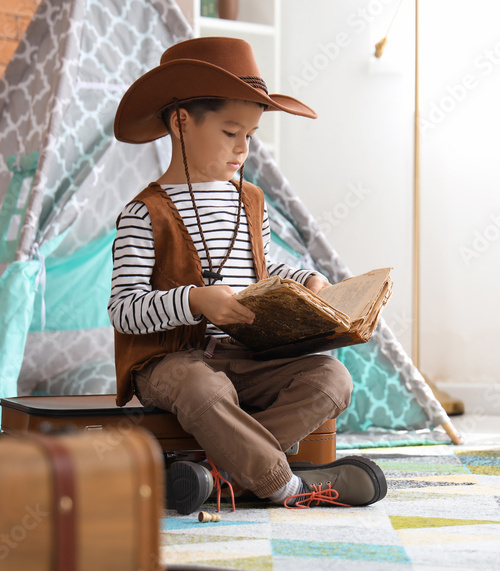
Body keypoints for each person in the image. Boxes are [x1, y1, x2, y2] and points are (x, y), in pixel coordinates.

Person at [108, 37, 386, 513]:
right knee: (205, 388)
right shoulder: (144, 213)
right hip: (173, 360)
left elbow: (261, 268)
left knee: (331, 378)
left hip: (246, 354)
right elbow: (123, 311)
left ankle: (215, 477)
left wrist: (304, 281)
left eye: (250, 135)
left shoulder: (250, 200)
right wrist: (195, 300)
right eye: (230, 132)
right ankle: (285, 485)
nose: (243, 148)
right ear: (180, 122)